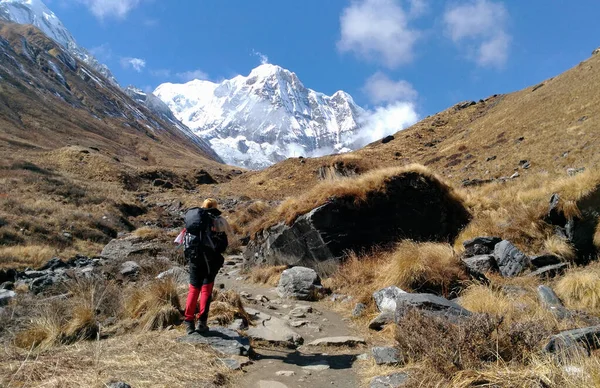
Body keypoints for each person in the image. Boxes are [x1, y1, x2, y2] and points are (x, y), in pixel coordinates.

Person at [182, 198, 231, 334]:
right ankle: (202, 323)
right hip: (210, 260)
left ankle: (188, 322)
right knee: (206, 289)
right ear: (215, 206)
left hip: (194, 258)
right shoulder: (217, 220)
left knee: (193, 289)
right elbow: (223, 245)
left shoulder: (194, 220)